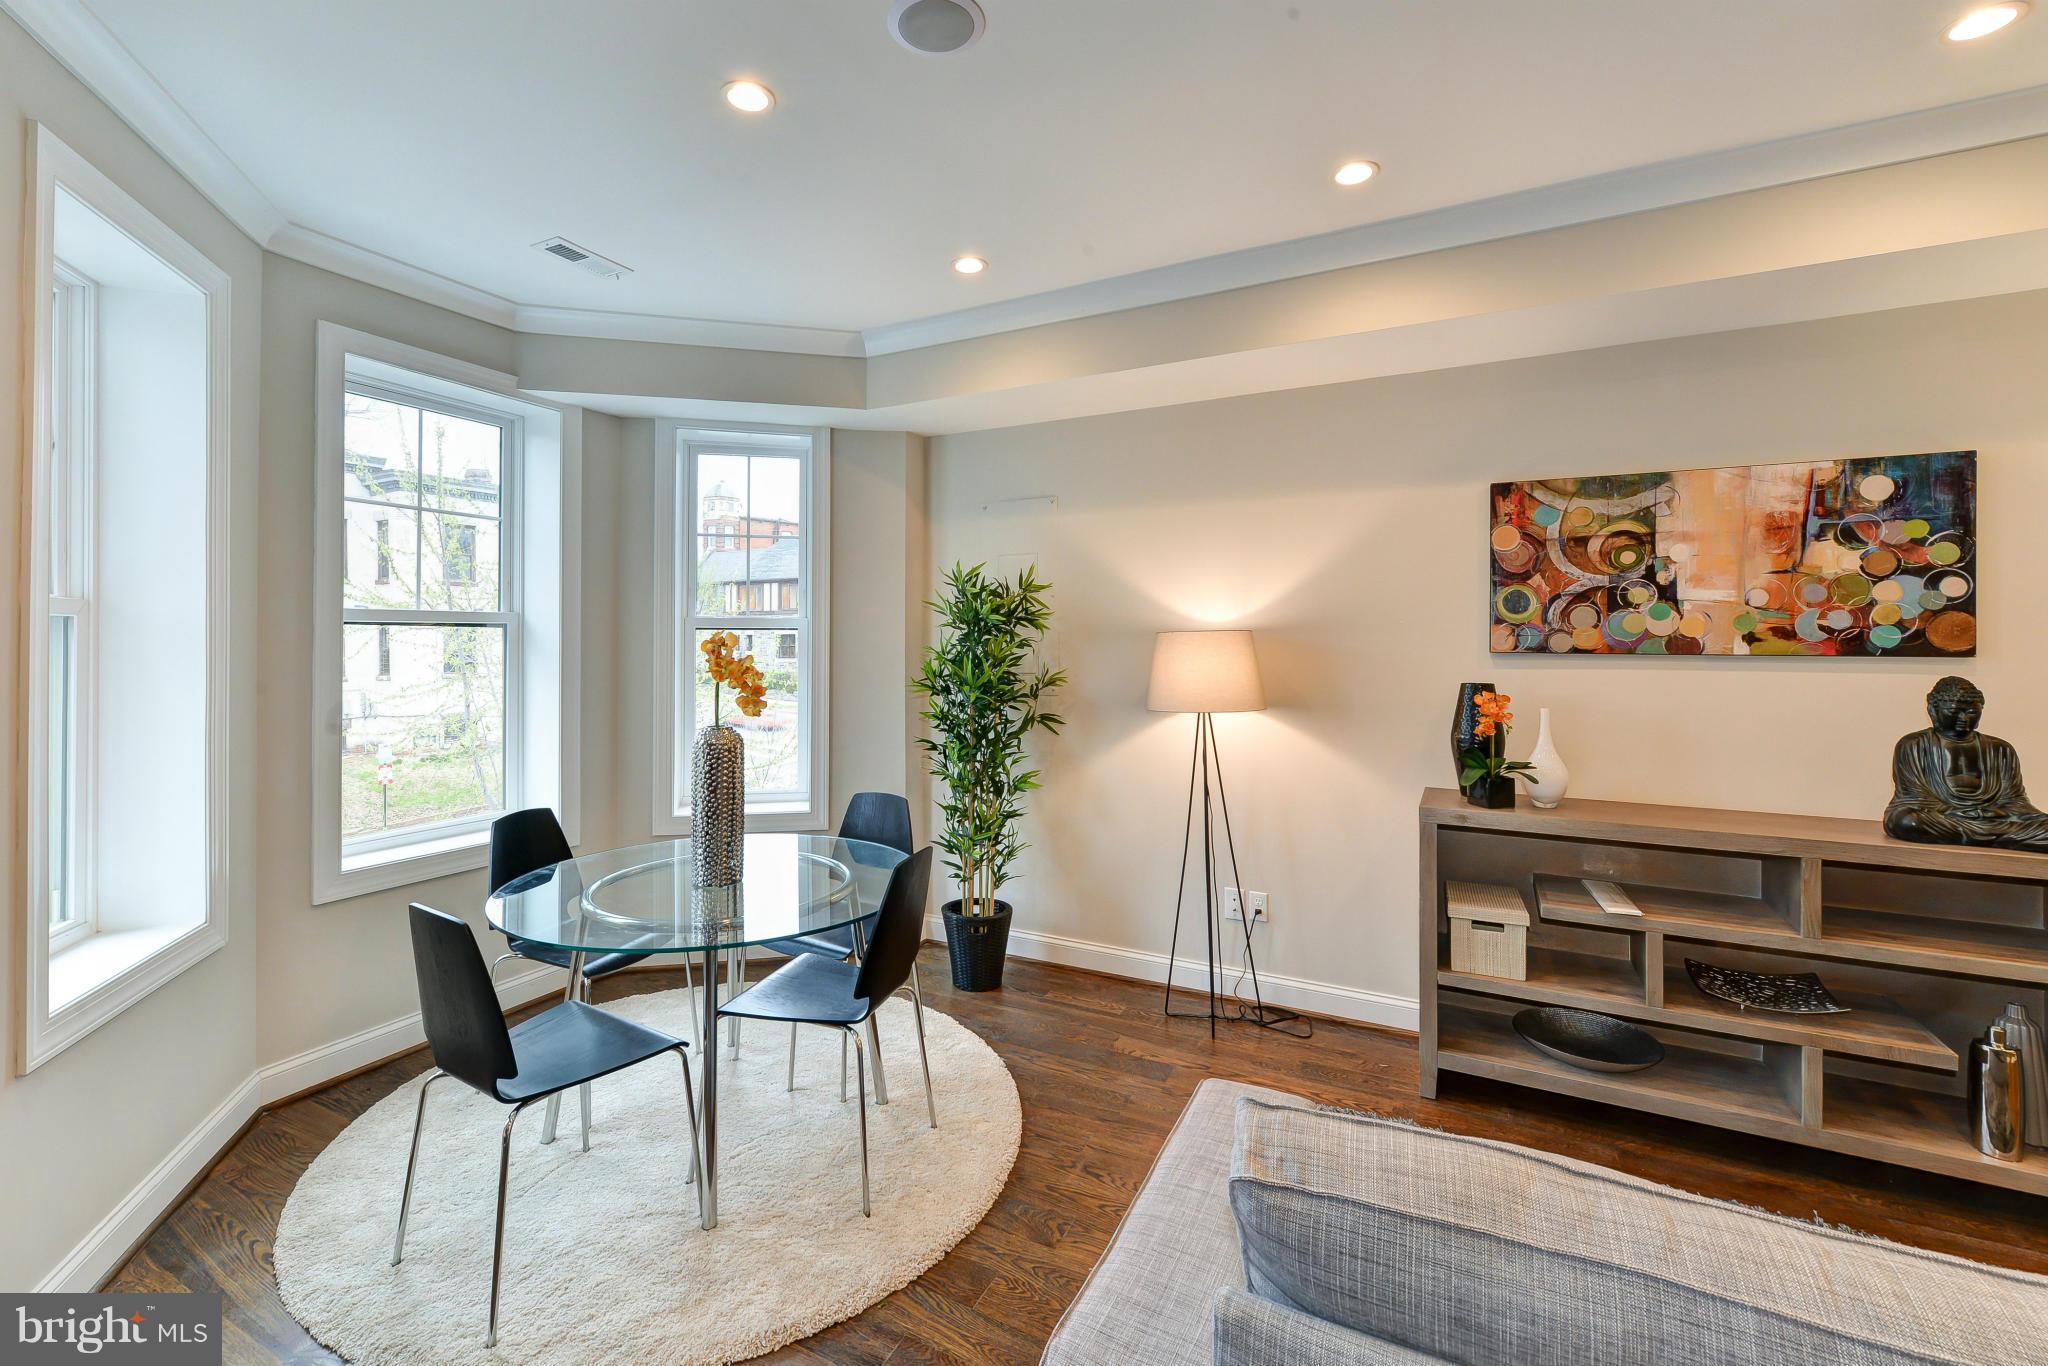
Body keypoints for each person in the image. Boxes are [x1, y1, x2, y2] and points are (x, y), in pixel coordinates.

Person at [1884, 676, 2048, 850]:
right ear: (1933, 710)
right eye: (1954, 711)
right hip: (1944, 817)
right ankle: (2004, 837)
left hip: (1985, 818)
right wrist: (1961, 812)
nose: (1963, 718)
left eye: (1971, 712)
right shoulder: (1913, 744)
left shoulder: (2001, 749)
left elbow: (2015, 801)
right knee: (1907, 821)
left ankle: (1985, 836)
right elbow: (1915, 797)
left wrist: (1990, 813)